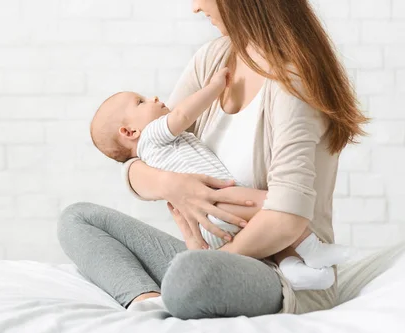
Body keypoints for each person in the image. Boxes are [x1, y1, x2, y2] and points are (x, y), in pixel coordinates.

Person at [58, 0, 368, 319]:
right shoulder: (214, 59)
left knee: (190, 276)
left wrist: (214, 259)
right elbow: (142, 154)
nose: (194, 7)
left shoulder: (293, 80)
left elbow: (287, 219)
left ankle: (184, 284)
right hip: (207, 254)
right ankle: (145, 301)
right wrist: (174, 185)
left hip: (283, 275)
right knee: (77, 218)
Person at [89, 66, 353, 291]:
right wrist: (214, 88)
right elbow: (182, 115)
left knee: (266, 219)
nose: (153, 98)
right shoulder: (153, 134)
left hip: (208, 231)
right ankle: (311, 249)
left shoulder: (149, 155)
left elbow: (135, 167)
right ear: (129, 131)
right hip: (218, 202)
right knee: (272, 204)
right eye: (141, 102)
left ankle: (290, 266)